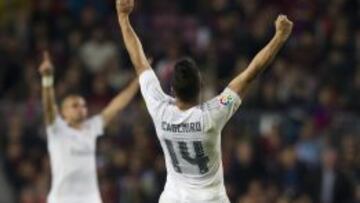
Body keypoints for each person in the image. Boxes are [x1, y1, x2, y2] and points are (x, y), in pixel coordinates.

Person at [116, 0, 293, 202]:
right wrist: (279, 37)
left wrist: (123, 17)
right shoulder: (212, 114)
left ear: (172, 89)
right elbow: (250, 74)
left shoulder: (159, 108)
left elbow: (139, 62)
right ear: (201, 87)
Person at [38, 51, 139, 203]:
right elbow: (48, 107)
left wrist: (139, 79)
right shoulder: (57, 129)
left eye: (84, 105)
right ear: (63, 112)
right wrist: (47, 80)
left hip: (90, 198)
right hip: (62, 198)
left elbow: (116, 106)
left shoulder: (92, 126)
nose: (81, 108)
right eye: (75, 105)